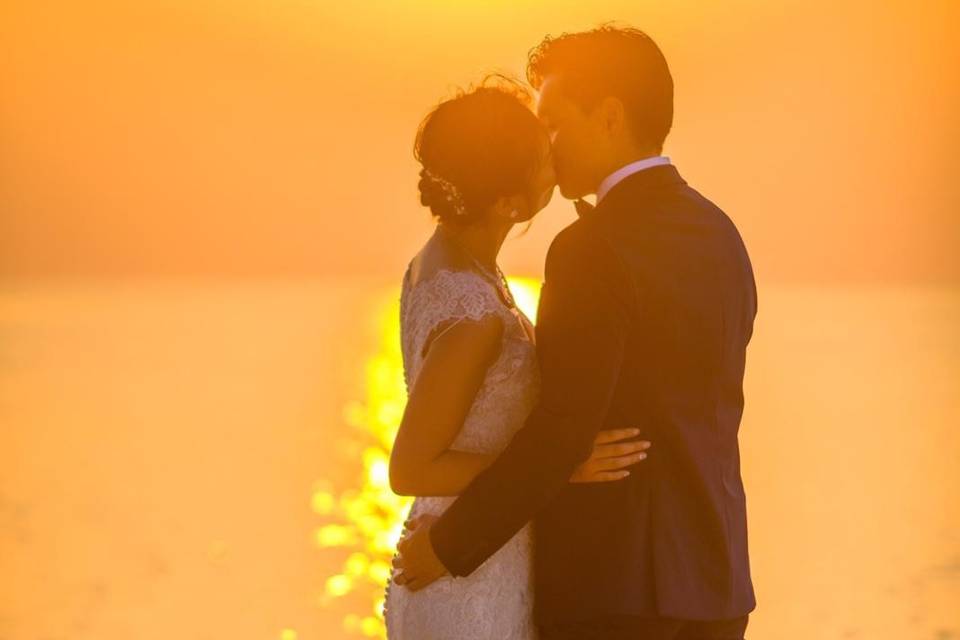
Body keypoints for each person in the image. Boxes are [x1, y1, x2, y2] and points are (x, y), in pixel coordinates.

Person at [394, 26, 758, 640]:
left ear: (609, 117)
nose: (548, 146)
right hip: (718, 585)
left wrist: (450, 545)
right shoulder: (720, 233)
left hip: (615, 592)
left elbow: (565, 428)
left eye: (556, 124)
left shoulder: (590, 249)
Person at [383, 76, 651, 639]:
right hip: (468, 591)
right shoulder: (474, 319)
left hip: (480, 557)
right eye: (541, 156)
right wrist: (558, 469)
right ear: (509, 201)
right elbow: (409, 468)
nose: (556, 153)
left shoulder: (440, 265)